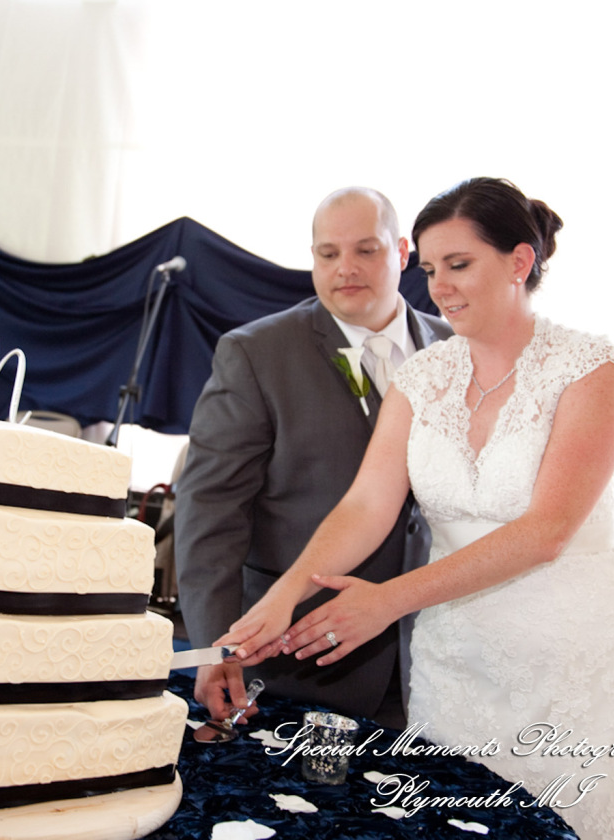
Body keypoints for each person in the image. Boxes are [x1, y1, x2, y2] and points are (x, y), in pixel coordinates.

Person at [220, 177, 614, 840]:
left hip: (573, 650)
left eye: (459, 264)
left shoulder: (592, 370)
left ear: (519, 261)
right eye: (429, 270)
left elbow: (546, 531)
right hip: (455, 652)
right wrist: (284, 595)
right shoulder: (423, 376)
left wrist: (387, 601)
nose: (440, 287)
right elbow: (368, 503)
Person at [175, 187, 452, 728]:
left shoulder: (455, 349)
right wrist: (215, 646)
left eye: (366, 250)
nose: (345, 268)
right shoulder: (256, 354)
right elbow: (211, 511)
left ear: (401, 253)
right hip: (293, 659)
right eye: (328, 253)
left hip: (433, 655)